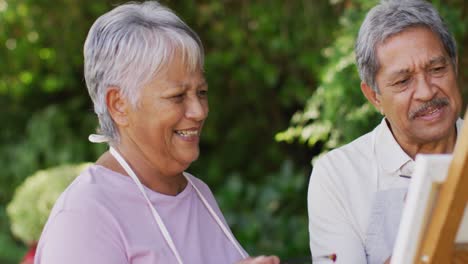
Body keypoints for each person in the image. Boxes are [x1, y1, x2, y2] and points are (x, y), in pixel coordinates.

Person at [34, 2, 280, 264]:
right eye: (177, 96)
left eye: (202, 92)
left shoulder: (198, 193)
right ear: (119, 105)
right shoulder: (85, 217)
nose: (199, 111)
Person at [307, 0, 464, 263]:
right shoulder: (338, 176)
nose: (426, 91)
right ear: (374, 97)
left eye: (437, 69)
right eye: (403, 81)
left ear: (455, 66)